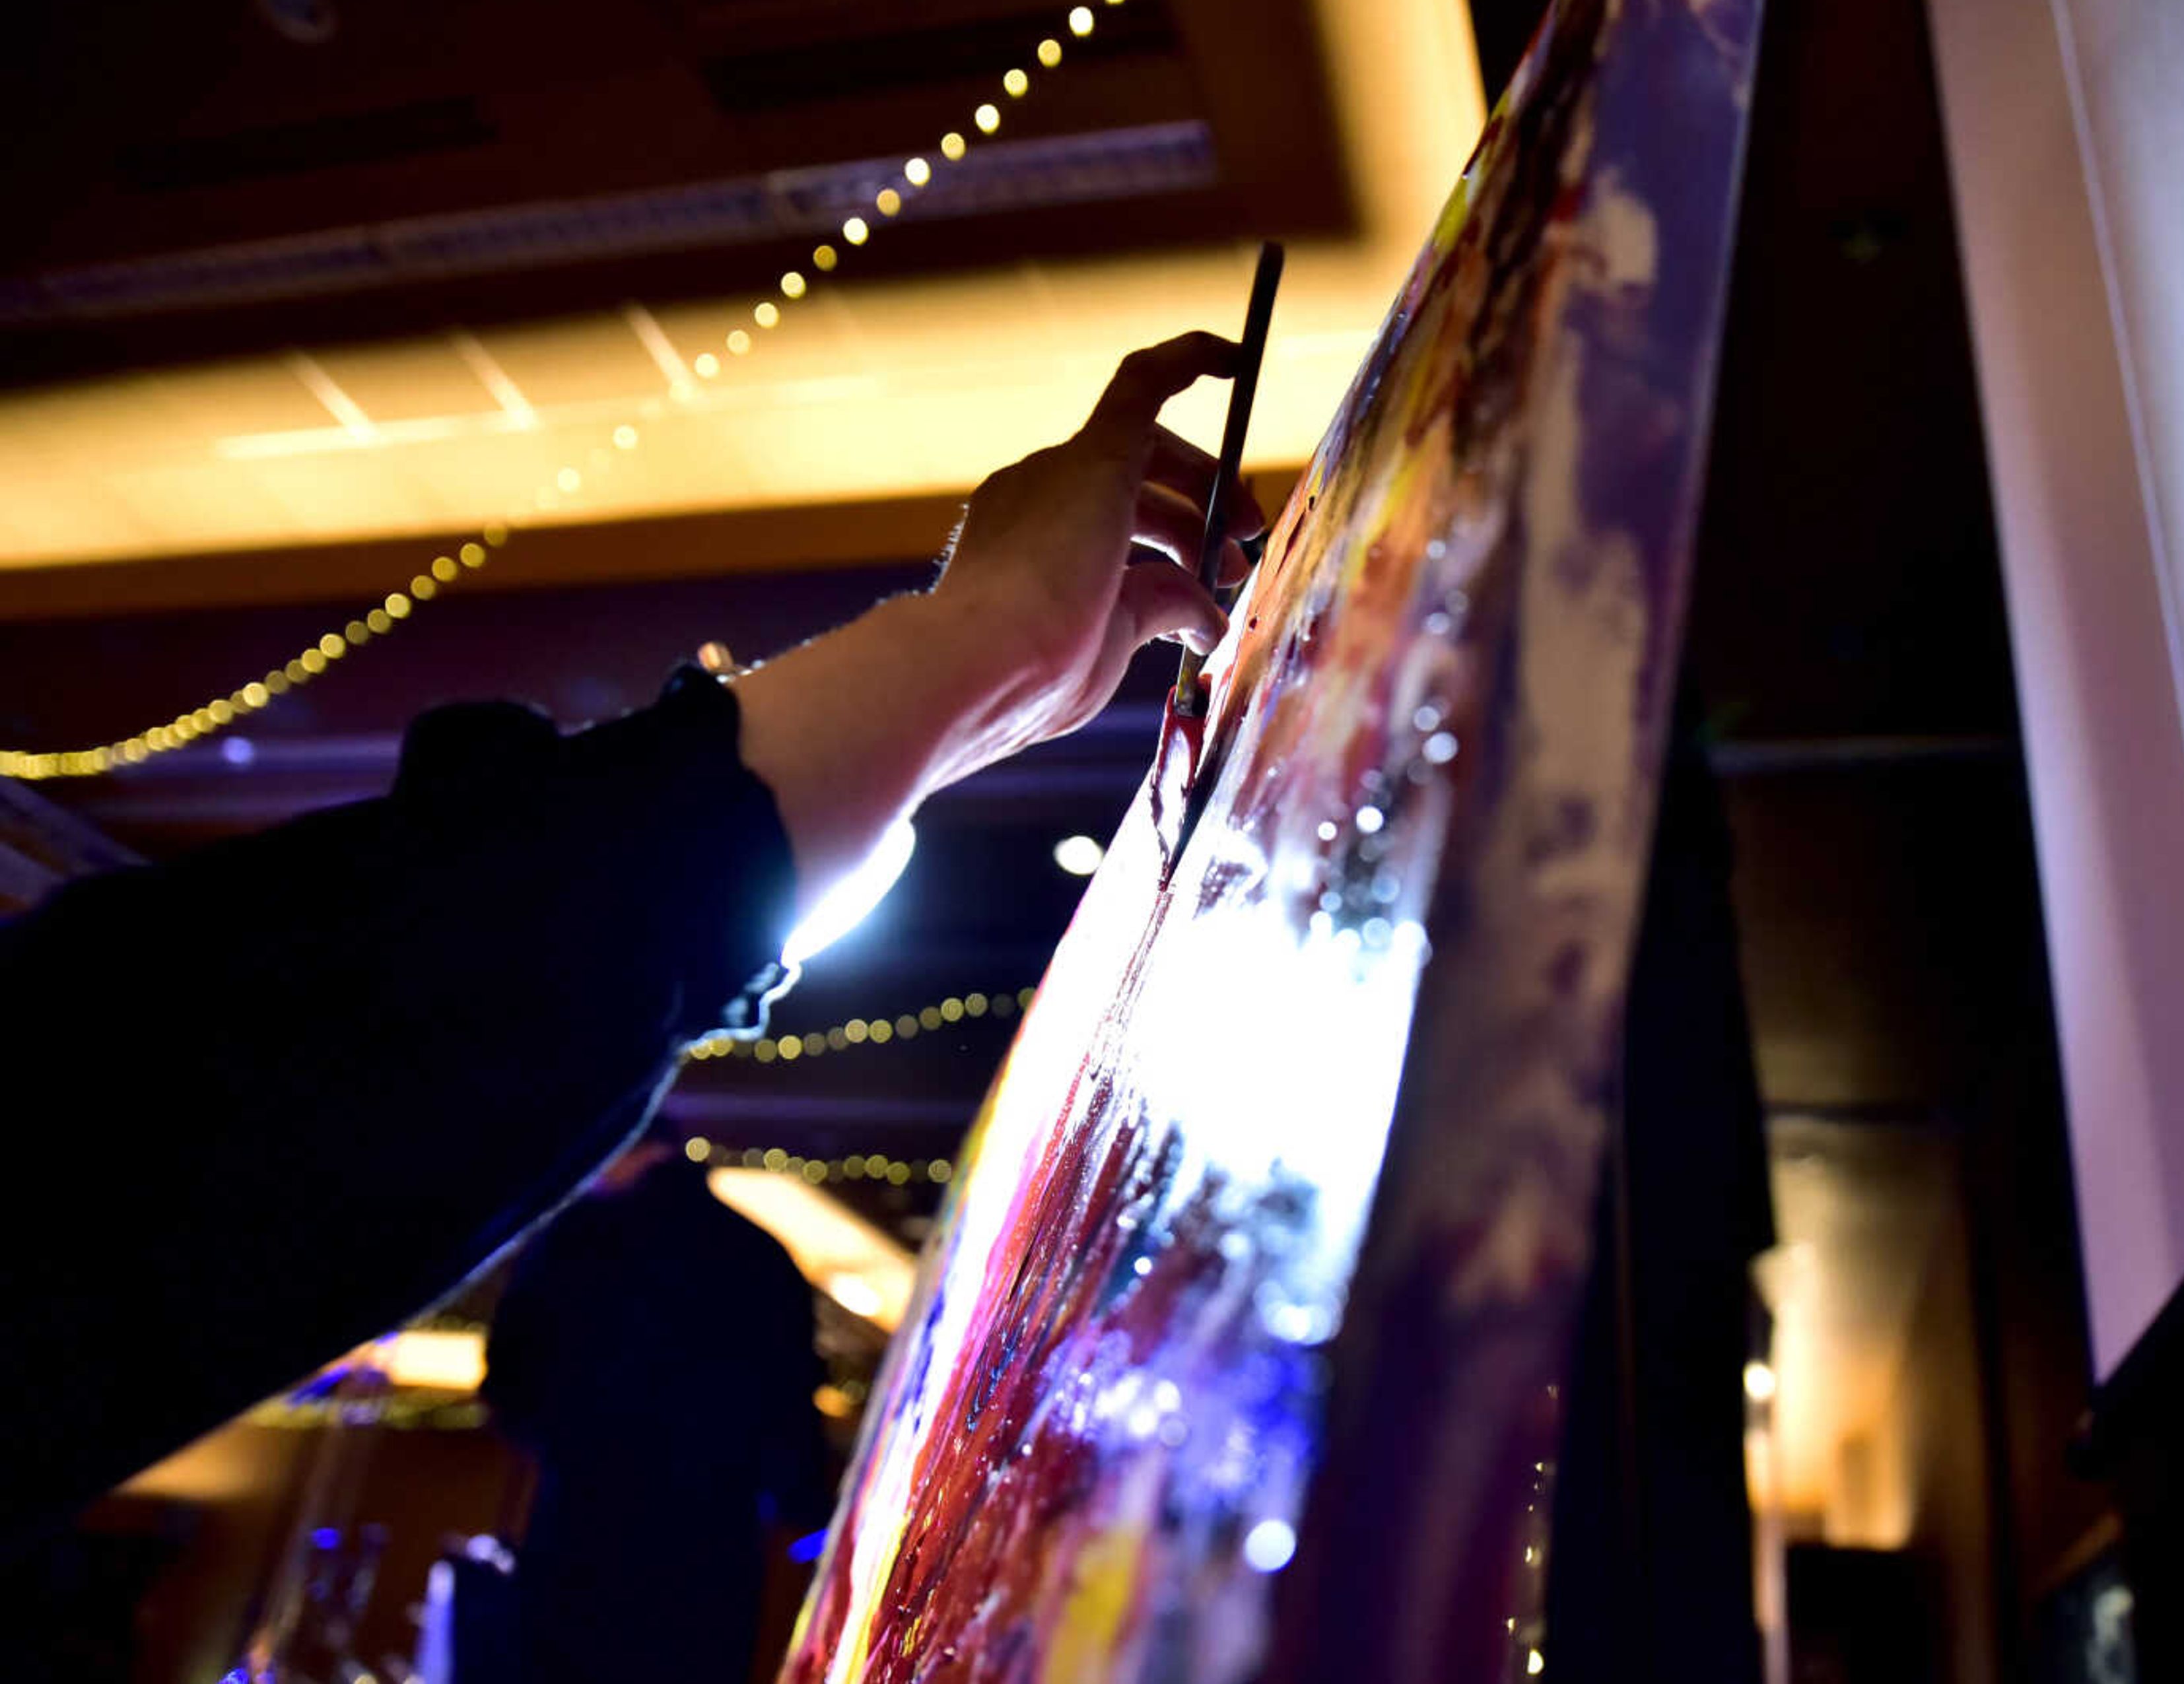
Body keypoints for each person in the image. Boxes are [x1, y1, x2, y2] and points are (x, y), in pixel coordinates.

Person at [0, 334, 1264, 1538]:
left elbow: (188, 1086)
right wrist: (965, 650)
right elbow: (179, 1102)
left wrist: (970, 671)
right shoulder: (721, 1244)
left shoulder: (608, 1244)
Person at [482, 1132, 832, 1684]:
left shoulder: (573, 1243)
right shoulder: (755, 1252)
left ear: (631, 1150)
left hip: (584, 1516)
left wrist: (552, 1437)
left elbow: (511, 1380)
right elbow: (789, 1398)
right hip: (713, 1530)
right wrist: (805, 1505)